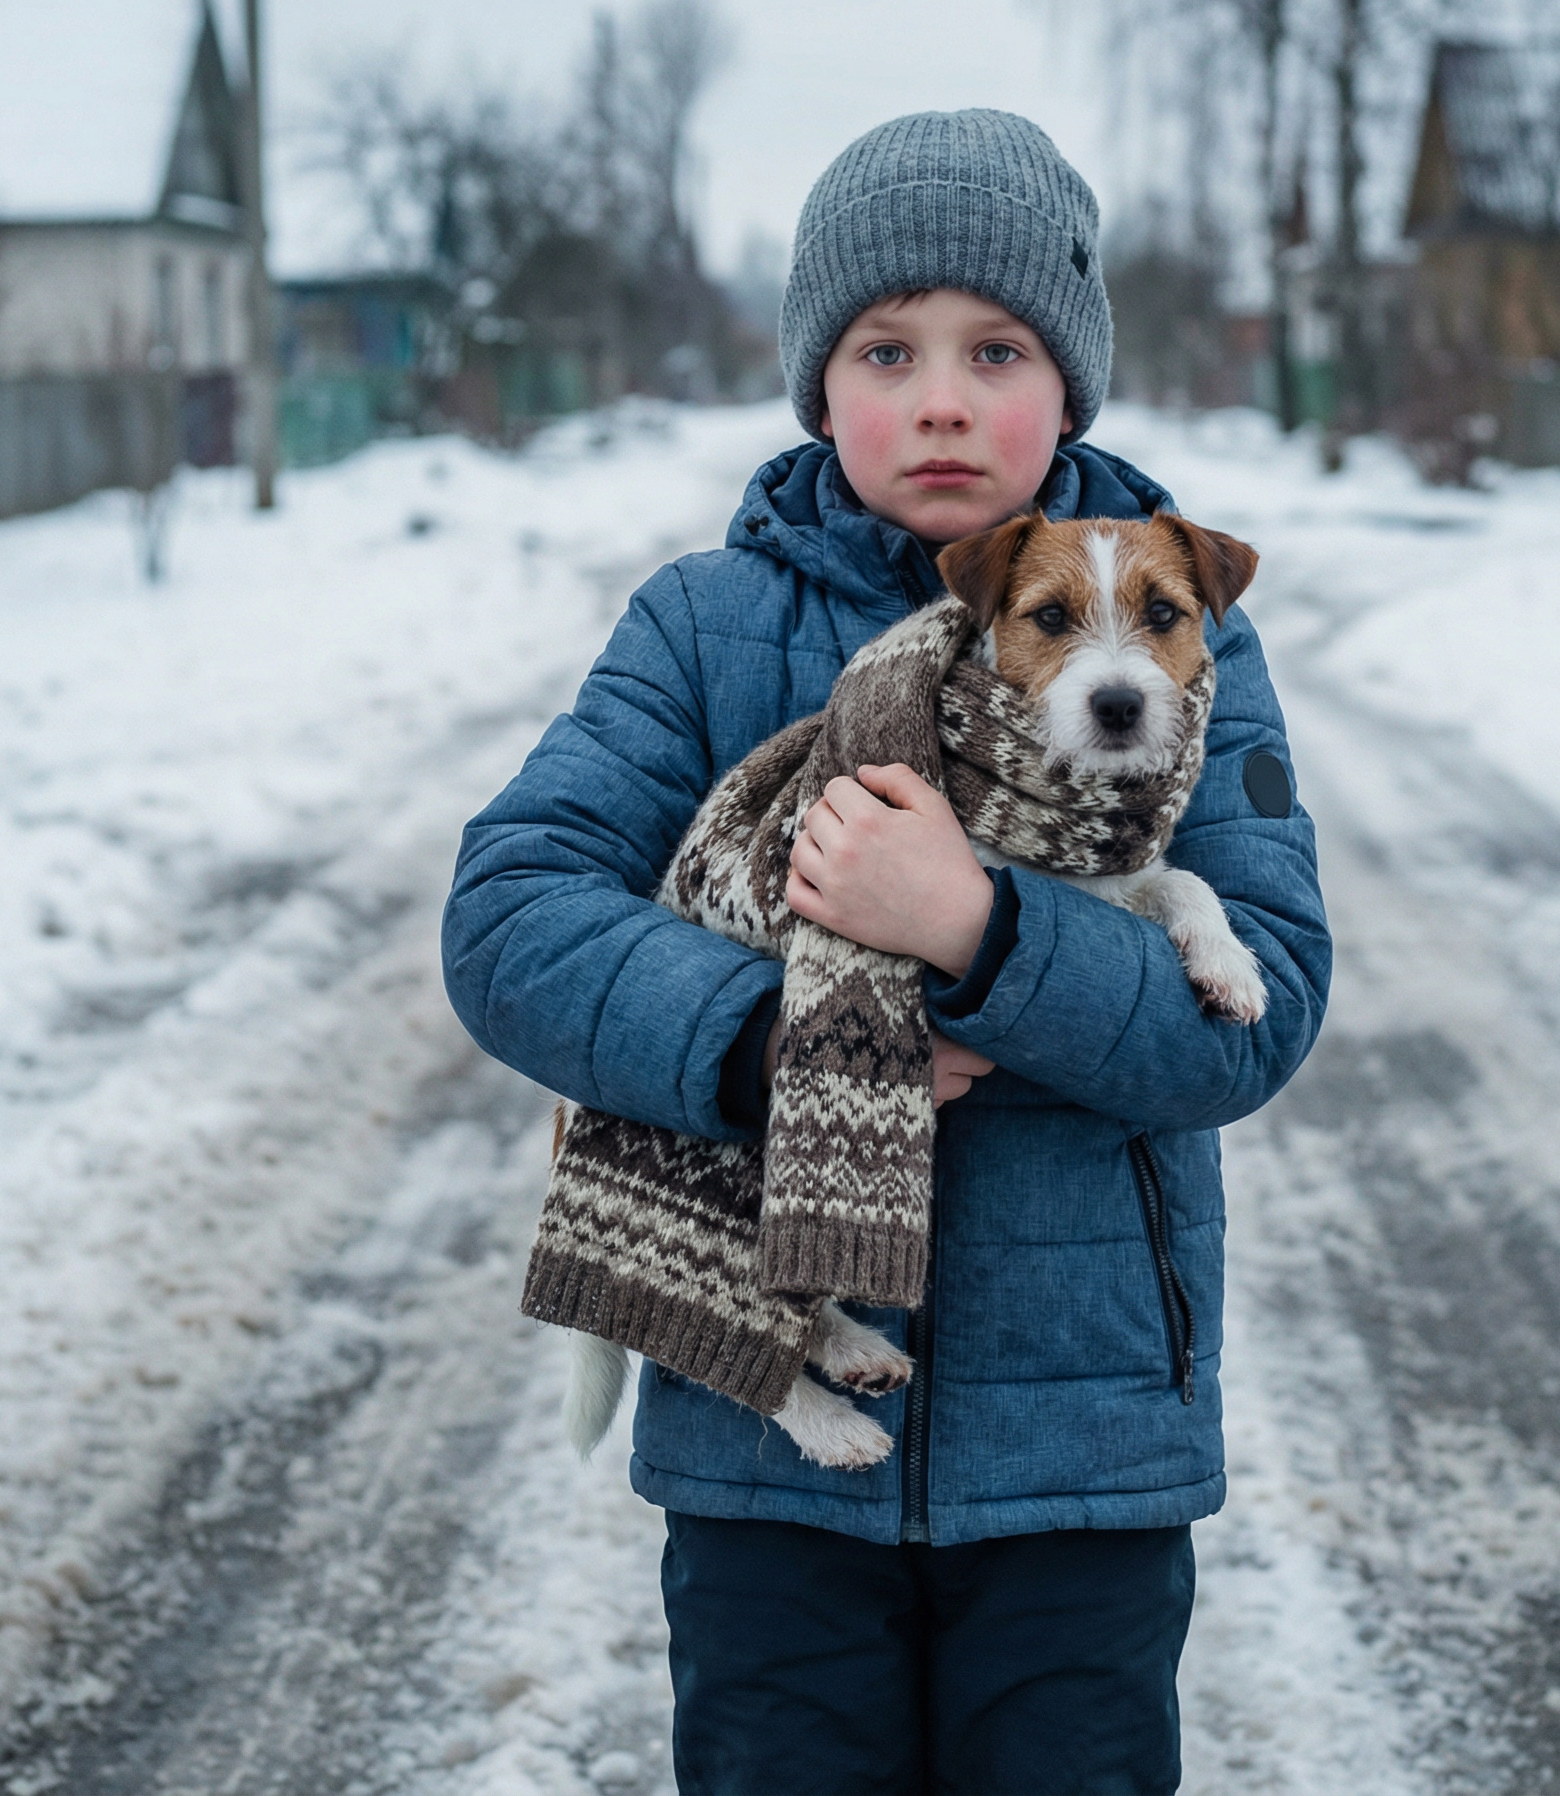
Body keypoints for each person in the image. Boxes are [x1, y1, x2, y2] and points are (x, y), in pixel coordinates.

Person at [441, 108, 1331, 1796]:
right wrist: (763, 1043)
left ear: (1069, 383)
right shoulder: (701, 629)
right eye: (884, 347)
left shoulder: (1182, 646)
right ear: (816, 382)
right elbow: (509, 917)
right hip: (767, 1453)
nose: (939, 395)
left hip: (1087, 1456)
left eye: (997, 347)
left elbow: (1253, 1020)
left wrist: (985, 933)